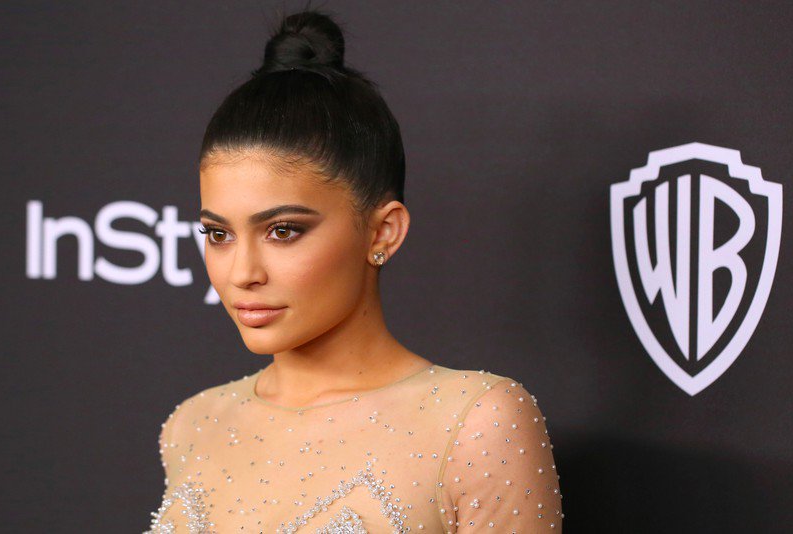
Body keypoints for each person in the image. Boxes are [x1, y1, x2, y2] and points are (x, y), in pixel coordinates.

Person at [144, 8, 562, 533]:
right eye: (218, 234)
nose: (242, 273)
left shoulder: (477, 424)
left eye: (283, 231)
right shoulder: (194, 424)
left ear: (383, 231)